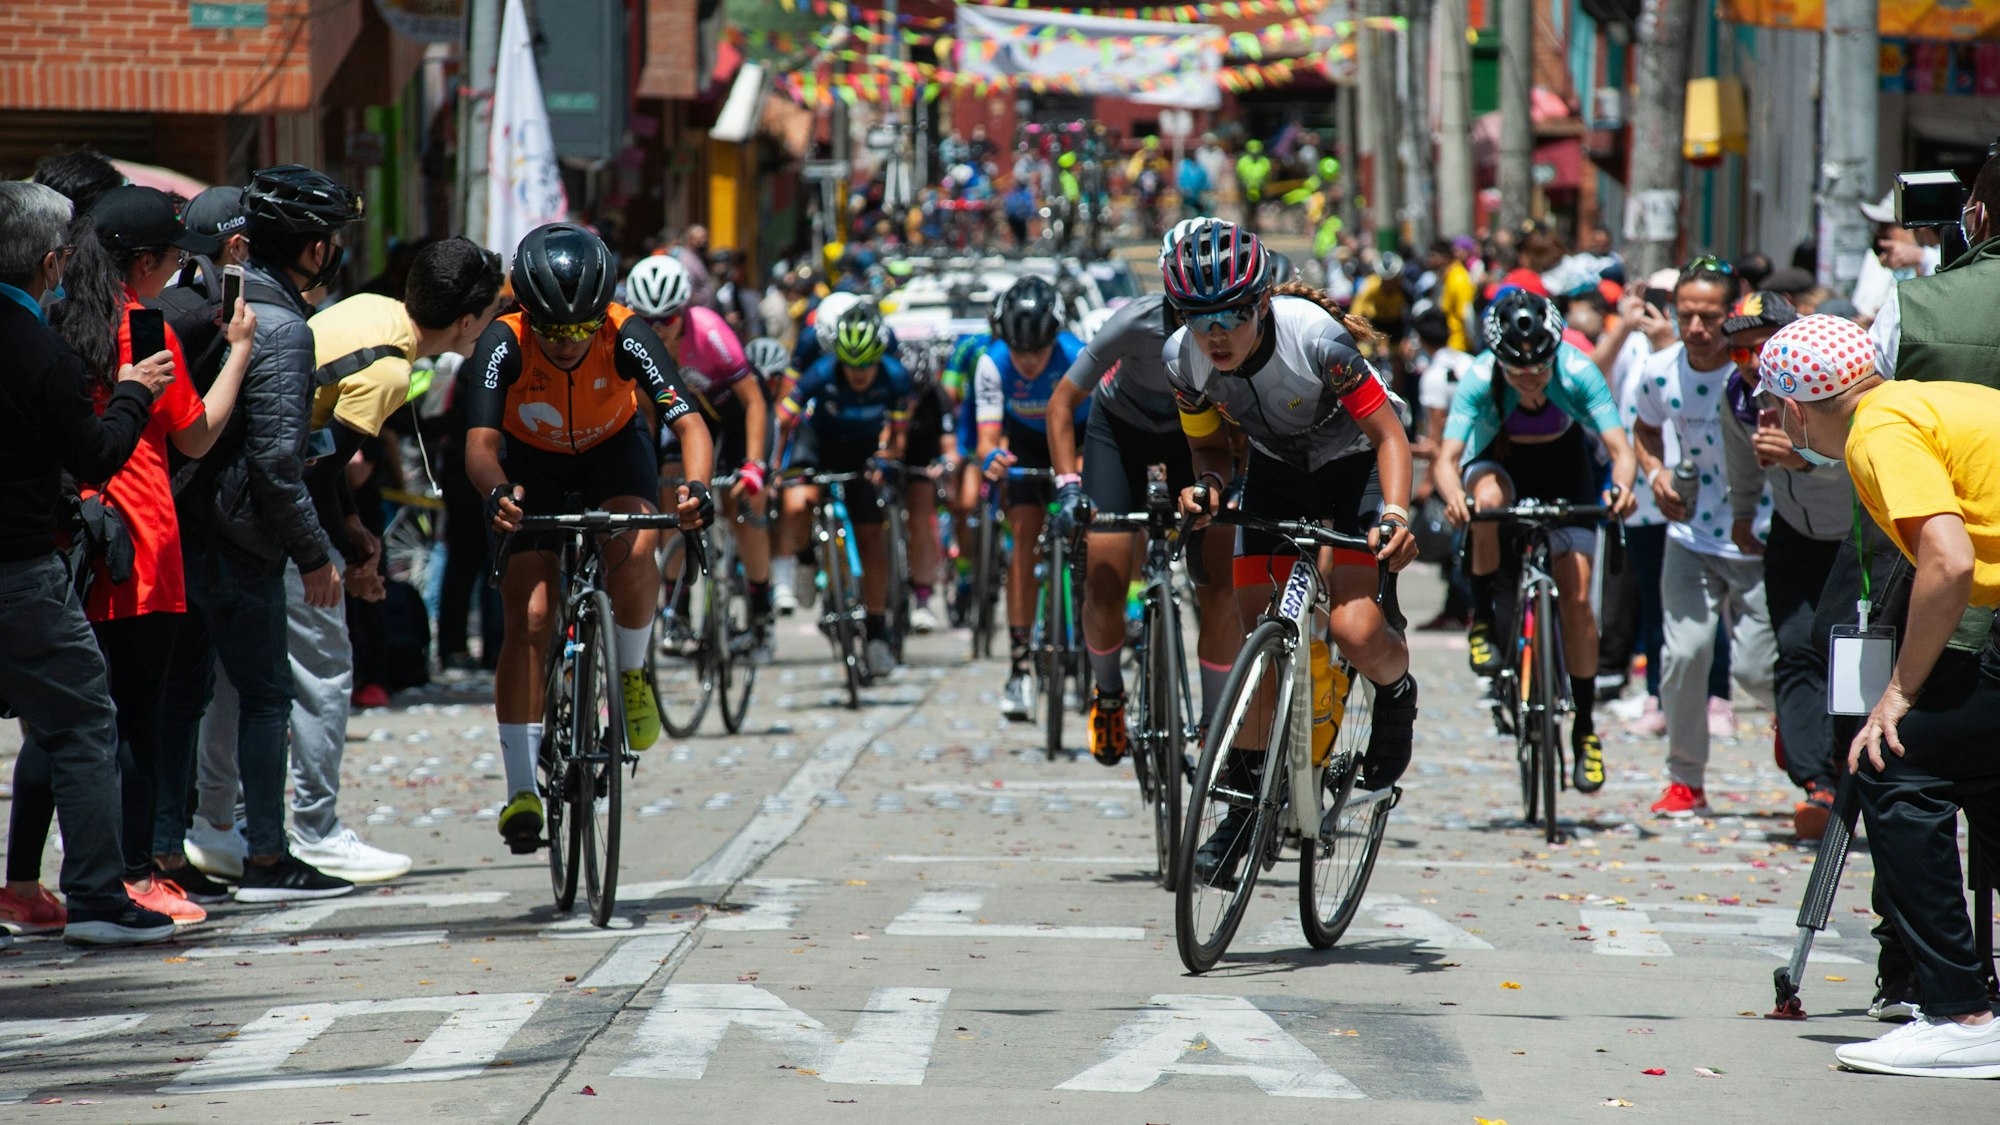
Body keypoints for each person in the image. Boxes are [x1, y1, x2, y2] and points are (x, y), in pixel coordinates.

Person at [194, 239, 504, 884]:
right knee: (324, 670)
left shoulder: (371, 309)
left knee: (234, 676)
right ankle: (315, 830)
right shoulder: (391, 368)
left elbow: (321, 450)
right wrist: (335, 555)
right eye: (492, 313)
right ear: (468, 320)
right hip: (275, 514)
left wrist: (356, 528)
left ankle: (214, 824)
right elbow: (321, 466)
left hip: (226, 499)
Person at [1752, 314, 2000, 1078]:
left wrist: (1898, 691)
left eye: (1771, 406)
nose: (1769, 421)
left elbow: (1949, 562)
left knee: (1891, 759)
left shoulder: (1873, 434)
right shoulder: (1924, 400)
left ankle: (1961, 1012)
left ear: (1796, 409)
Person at [5, 186, 256, 927]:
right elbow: (198, 434)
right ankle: (132, 877)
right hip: (140, 544)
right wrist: (238, 350)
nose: (177, 273)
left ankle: (23, 881)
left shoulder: (49, 324)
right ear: (144, 264)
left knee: (60, 720)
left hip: (68, 544)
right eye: (175, 261)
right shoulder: (144, 328)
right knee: (134, 723)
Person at [1163, 219, 1420, 884]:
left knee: (1355, 627)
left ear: (1262, 304)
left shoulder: (1319, 342)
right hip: (1278, 470)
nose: (1215, 332)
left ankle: (1396, 693)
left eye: (1231, 314)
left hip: (1356, 464)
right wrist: (1210, 484)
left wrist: (1395, 513)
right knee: (1259, 641)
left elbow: (1391, 438)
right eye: (1198, 317)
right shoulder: (1182, 361)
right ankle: (1245, 810)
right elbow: (1209, 448)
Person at [465, 223, 712, 854]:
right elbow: (480, 447)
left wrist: (697, 488)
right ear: (528, 313)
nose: (570, 342)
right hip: (529, 465)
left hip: (612, 452)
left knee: (635, 551)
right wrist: (498, 494)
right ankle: (522, 790)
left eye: (582, 328)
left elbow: (688, 422)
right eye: (555, 329)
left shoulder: (628, 332)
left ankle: (631, 675)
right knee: (531, 615)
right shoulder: (504, 341)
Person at [155, 165, 360, 903]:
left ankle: (164, 857)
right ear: (308, 249)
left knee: (182, 699)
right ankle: (267, 858)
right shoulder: (283, 328)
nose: (334, 251)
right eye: (329, 239)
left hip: (185, 529)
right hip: (239, 544)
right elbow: (278, 461)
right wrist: (315, 554)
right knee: (267, 696)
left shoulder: (226, 304)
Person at [0, 180, 182, 946]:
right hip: (22, 571)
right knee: (81, 719)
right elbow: (98, 453)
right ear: (49, 263)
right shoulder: (41, 351)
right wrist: (136, 393)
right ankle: (99, 898)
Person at [1432, 291, 1638, 794]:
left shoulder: (1578, 371)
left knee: (1577, 599)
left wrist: (1622, 489)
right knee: (1485, 498)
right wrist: (1453, 496)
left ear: (1555, 351)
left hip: (1567, 473)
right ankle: (1481, 619)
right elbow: (1446, 457)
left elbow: (1619, 450)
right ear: (1497, 358)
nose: (1529, 378)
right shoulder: (1481, 378)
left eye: (1539, 367)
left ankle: (1585, 729)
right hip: (1501, 464)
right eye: (1516, 369)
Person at [1047, 267, 1237, 765]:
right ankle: (1108, 694)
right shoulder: (1134, 321)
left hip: (1193, 440)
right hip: (1120, 434)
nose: (1209, 324)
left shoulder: (1234, 332)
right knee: (1105, 584)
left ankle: (1213, 723)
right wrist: (1069, 488)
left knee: (1219, 586)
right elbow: (1063, 403)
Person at [1630, 258, 1776, 816]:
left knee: (1757, 670)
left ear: (1731, 313)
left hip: (1758, 536)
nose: (1696, 327)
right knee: (1685, 655)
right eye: (1686, 314)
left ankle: (1798, 728)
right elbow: (1644, 426)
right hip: (1689, 538)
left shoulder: (1760, 371)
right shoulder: (1659, 370)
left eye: (1709, 316)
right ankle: (1685, 778)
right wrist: (1654, 473)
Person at [1718, 291, 1852, 838]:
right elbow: (1740, 460)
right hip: (1791, 535)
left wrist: (1803, 461)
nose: (1749, 366)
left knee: (1847, 656)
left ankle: (1852, 771)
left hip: (1855, 536)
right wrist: (1743, 514)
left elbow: (1859, 452)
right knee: (1796, 648)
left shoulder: (1827, 382)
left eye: (1758, 351)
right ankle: (1816, 783)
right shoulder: (1740, 398)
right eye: (1738, 356)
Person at [624, 255, 776, 639]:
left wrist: (755, 465)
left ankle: (761, 608)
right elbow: (649, 418)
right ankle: (675, 609)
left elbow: (755, 402)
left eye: (668, 320)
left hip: (735, 414)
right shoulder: (629, 341)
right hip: (685, 417)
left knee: (743, 504)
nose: (658, 331)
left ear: (685, 313)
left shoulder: (709, 332)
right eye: (648, 322)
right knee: (672, 495)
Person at [775, 301, 912, 679]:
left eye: (866, 365)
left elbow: (898, 437)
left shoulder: (896, 377)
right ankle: (804, 559)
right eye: (851, 365)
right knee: (797, 503)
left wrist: (885, 459)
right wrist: (772, 466)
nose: (859, 374)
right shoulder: (821, 372)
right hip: (816, 443)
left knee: (872, 537)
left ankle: (878, 629)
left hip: (864, 453)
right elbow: (783, 418)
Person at [973, 276, 1089, 720]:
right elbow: (987, 439)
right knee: (1022, 538)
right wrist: (993, 459)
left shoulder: (1078, 355)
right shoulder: (992, 363)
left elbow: (1100, 429)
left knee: (1094, 538)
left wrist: (1078, 468)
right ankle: (1020, 666)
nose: (1027, 362)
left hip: (1077, 438)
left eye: (1037, 353)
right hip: (1024, 444)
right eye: (1019, 353)